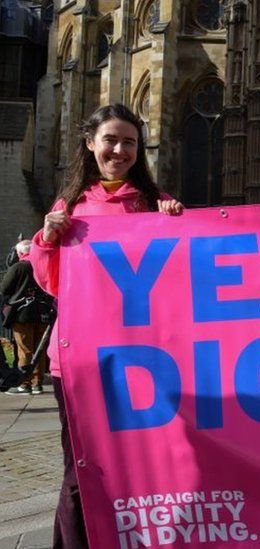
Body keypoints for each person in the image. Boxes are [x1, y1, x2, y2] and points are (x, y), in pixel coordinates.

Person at [29, 104, 183, 548]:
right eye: (111, 140)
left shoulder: (154, 204)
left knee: (138, 465)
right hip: (79, 360)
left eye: (129, 142)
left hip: (143, 358)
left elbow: (178, 280)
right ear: (90, 144)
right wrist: (48, 240)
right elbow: (51, 283)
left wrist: (179, 224)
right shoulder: (70, 206)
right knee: (80, 468)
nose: (120, 150)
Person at [0, 240, 53, 394]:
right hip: (43, 312)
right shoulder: (43, 265)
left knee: (25, 349)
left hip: (22, 314)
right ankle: (37, 383)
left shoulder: (19, 266)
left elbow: (4, 288)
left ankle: (24, 384)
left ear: (20, 253)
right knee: (39, 350)